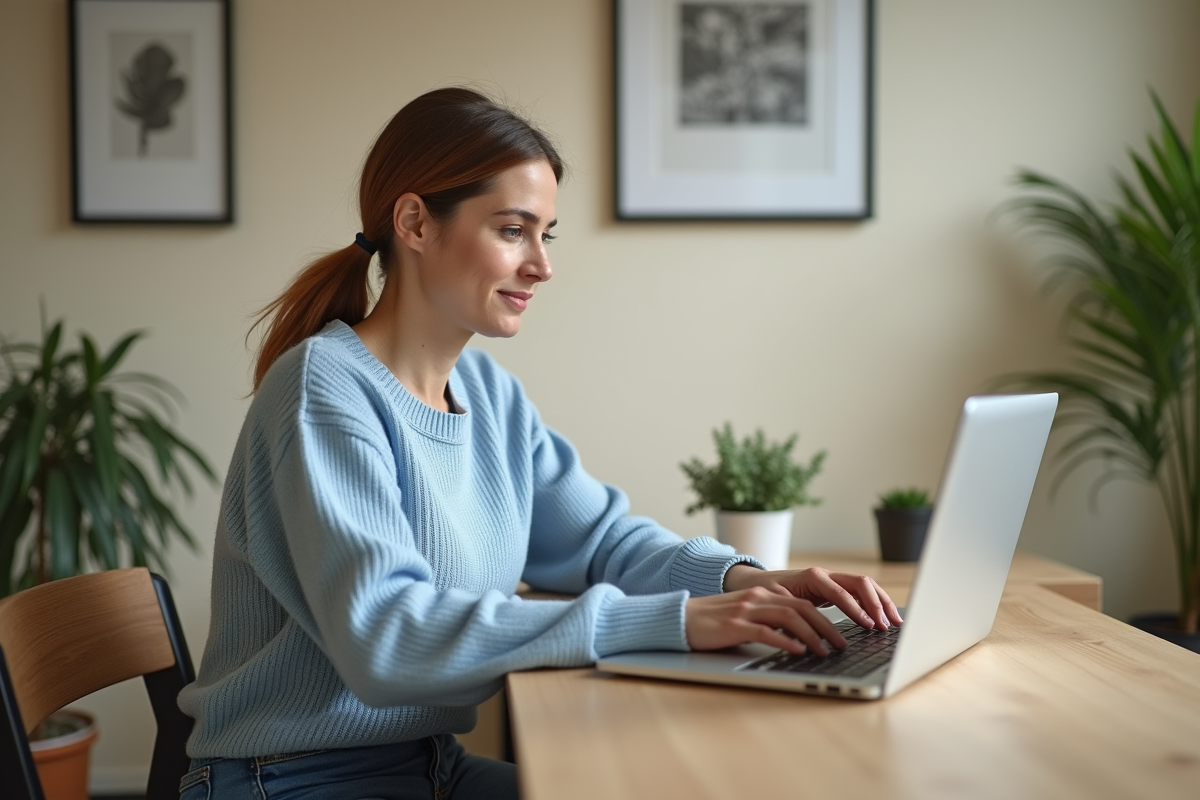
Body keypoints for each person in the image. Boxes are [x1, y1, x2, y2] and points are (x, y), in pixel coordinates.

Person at [177, 87, 902, 800]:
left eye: (544, 234)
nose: (542, 265)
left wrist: (747, 582)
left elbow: (602, 543)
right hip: (290, 777)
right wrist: (676, 621)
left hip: (427, 765)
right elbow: (387, 639)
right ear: (415, 223)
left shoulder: (488, 394)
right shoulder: (324, 388)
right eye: (512, 229)